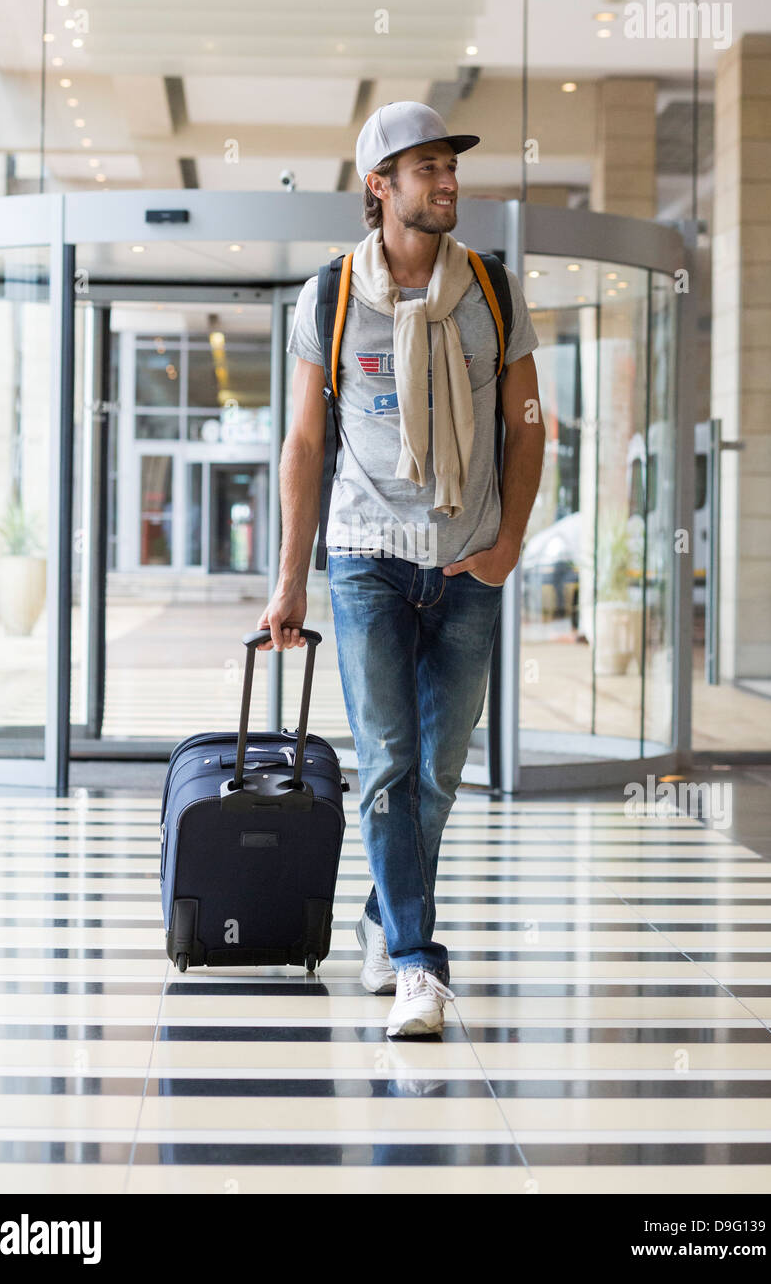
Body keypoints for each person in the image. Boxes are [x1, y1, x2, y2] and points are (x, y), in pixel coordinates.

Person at [258, 101, 545, 1037]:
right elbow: (307, 442)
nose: (448, 182)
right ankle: (420, 963)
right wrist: (291, 579)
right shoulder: (331, 296)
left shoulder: (492, 291)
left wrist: (507, 548)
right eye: (426, 168)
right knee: (385, 765)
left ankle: (385, 916)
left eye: (451, 166)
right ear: (380, 187)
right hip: (367, 558)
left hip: (470, 562)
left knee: (440, 772)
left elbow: (529, 427)